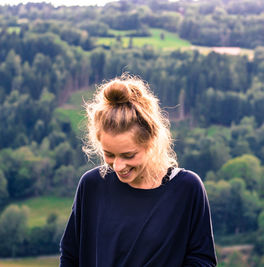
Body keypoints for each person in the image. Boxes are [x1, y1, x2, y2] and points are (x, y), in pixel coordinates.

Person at [59, 74, 217, 266]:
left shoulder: (187, 188)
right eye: (109, 154)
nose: (118, 166)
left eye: (128, 155)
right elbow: (70, 257)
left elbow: (202, 260)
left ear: (151, 142)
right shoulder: (92, 185)